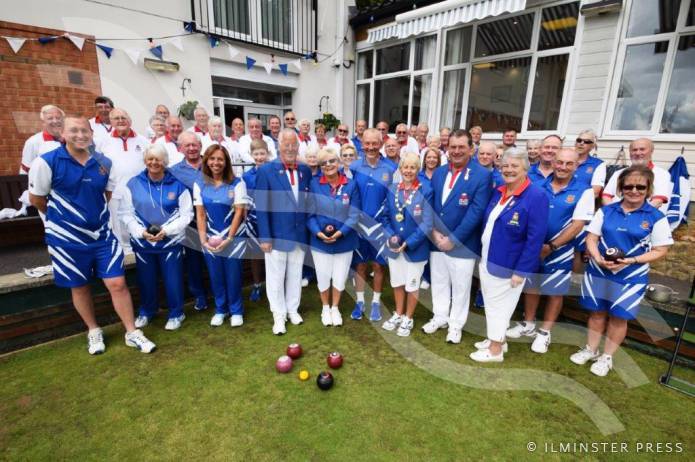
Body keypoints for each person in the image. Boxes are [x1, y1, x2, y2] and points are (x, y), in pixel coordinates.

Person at [28, 116, 155, 354]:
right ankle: (94, 331)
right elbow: (37, 199)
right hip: (66, 239)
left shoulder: (104, 162)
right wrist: (64, 219)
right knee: (79, 286)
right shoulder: (46, 162)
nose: (80, 135)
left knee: (117, 282)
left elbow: (105, 196)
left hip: (101, 235)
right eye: (74, 131)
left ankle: (132, 331)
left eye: (84, 131)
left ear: (91, 133)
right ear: (63, 134)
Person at [573, 165, 672, 376]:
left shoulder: (656, 216)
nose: (634, 191)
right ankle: (591, 349)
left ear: (648, 189)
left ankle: (606, 357)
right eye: (628, 186)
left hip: (630, 276)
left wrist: (631, 260)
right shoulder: (606, 210)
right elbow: (591, 238)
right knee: (596, 313)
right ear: (620, 188)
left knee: (619, 317)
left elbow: (661, 249)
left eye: (640, 187)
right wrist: (598, 258)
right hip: (599, 271)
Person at [507, 148, 594, 353]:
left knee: (555, 291)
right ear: (553, 162)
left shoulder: (584, 190)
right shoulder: (538, 184)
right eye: (560, 162)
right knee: (531, 284)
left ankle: (545, 332)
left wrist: (552, 246)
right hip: (533, 246)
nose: (563, 167)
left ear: (576, 165)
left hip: (560, 249)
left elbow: (578, 224)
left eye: (568, 163)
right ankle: (528, 324)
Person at [471, 147, 548, 362]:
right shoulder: (500, 191)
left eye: (515, 166)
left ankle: (495, 351)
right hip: (489, 258)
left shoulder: (536, 196)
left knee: (499, 307)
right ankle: (498, 340)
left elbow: (535, 239)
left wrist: (521, 271)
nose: (509, 170)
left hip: (509, 265)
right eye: (505, 166)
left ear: (526, 168)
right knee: (493, 303)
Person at [425, 130, 492, 344]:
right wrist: (434, 233)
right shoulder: (439, 172)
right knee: (439, 281)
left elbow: (476, 212)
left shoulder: (482, 175)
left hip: (463, 243)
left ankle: (455, 325)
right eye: (452, 147)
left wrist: (452, 239)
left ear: (471, 149)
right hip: (437, 240)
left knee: (461, 286)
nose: (456, 151)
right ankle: (440, 316)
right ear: (447, 148)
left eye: (461, 147)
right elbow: (432, 205)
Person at [117, 144, 193, 330]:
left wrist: (166, 231)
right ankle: (147, 311)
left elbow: (186, 214)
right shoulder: (133, 184)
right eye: (150, 159)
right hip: (143, 242)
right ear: (145, 161)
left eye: (158, 159)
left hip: (170, 242)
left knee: (172, 280)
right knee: (146, 280)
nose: (154, 162)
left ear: (165, 161)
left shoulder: (178, 185)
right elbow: (125, 213)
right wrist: (140, 232)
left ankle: (176, 313)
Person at [255, 129, 312, 335]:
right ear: (278, 146)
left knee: (295, 275)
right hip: (276, 235)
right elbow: (261, 206)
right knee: (276, 277)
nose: (290, 148)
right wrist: (265, 237)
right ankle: (278, 315)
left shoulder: (305, 171)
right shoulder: (266, 171)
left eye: (293, 144)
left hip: (299, 234)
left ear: (298, 146)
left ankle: (292, 309)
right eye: (286, 144)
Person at [194, 144, 249, 327]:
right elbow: (200, 214)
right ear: (206, 161)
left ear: (226, 163)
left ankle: (236, 310)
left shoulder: (237, 183)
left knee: (233, 275)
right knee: (215, 274)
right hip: (210, 238)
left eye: (220, 159)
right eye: (212, 158)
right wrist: (203, 240)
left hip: (234, 237)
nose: (216, 163)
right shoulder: (199, 183)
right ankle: (220, 309)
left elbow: (239, 212)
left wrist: (229, 238)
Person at [380, 153, 434, 336]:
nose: (408, 171)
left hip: (415, 248)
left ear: (418, 169)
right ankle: (399, 313)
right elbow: (385, 216)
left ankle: (408, 318)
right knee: (397, 282)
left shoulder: (426, 189)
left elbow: (427, 222)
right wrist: (390, 237)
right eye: (405, 167)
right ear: (400, 169)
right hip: (395, 246)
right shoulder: (392, 189)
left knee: (412, 284)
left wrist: (409, 243)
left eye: (412, 167)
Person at [307, 148, 361, 326]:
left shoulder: (351, 184)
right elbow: (309, 214)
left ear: (338, 163)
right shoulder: (314, 184)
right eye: (324, 163)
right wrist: (318, 232)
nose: (328, 165)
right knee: (323, 276)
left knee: (339, 276)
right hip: (320, 240)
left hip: (344, 240)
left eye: (331, 161)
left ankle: (335, 308)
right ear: (320, 167)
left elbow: (354, 215)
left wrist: (340, 233)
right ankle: (325, 307)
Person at [350, 128, 396, 321]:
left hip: (380, 227)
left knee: (378, 266)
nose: (370, 147)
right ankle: (359, 301)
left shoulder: (391, 168)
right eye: (366, 143)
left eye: (374, 143)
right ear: (361, 143)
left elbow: (394, 200)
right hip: (359, 226)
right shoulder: (353, 166)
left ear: (381, 143)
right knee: (360, 266)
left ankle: (376, 302)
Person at [97, 108, 150, 253]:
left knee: (139, 220)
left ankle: (143, 248)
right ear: (111, 122)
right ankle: (124, 253)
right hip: (114, 190)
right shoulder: (103, 141)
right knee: (117, 224)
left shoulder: (143, 141)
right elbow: (97, 164)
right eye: (116, 118)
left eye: (123, 117)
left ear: (129, 120)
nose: (120, 121)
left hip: (139, 190)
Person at [169, 131, 209, 311]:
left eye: (195, 144)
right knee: (194, 262)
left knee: (215, 259)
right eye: (187, 145)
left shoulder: (213, 163)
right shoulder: (173, 172)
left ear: (200, 145)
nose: (192, 148)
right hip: (191, 224)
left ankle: (219, 292)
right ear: (180, 148)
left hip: (215, 221)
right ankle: (200, 295)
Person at [602, 138, 672, 214]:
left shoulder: (662, 174)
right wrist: (615, 214)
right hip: (615, 216)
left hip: (645, 220)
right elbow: (606, 196)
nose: (638, 153)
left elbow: (657, 202)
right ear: (630, 153)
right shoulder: (619, 173)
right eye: (634, 150)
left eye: (642, 149)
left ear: (651, 151)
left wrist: (633, 216)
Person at [243, 139, 270, 303]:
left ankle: (273, 284)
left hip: (271, 218)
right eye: (256, 154)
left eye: (262, 153)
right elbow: (244, 200)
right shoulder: (247, 176)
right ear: (251, 155)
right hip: (253, 219)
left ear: (267, 154)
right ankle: (257, 284)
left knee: (272, 253)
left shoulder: (274, 171)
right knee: (255, 254)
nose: (259, 157)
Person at [20, 104, 64, 174]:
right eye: (50, 118)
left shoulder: (71, 140)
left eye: (58, 118)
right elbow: (25, 171)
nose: (55, 121)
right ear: (43, 122)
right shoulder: (33, 142)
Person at [574, 129, 606, 197]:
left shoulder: (598, 164)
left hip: (582, 204)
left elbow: (595, 193)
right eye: (579, 140)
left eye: (587, 142)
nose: (581, 143)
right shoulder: (565, 160)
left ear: (592, 146)